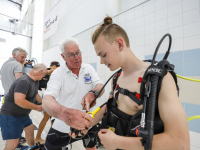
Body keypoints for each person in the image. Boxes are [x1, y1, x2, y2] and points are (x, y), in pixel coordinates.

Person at [72, 16, 190, 150]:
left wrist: (117, 142)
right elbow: (110, 107)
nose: (101, 62)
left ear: (120, 44)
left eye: (103, 55)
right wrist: (87, 123)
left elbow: (180, 142)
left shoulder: (160, 80)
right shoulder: (116, 78)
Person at [42, 37, 104, 150]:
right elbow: (47, 99)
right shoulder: (58, 74)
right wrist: (65, 113)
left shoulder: (88, 69)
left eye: (78, 52)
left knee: (91, 147)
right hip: (64, 125)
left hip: (88, 122)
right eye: (71, 55)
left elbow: (100, 86)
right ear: (63, 56)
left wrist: (93, 93)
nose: (77, 57)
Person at [0, 64, 46, 150]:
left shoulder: (35, 81)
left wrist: (43, 103)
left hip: (23, 115)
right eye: (44, 74)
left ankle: (33, 148)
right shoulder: (24, 81)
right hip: (11, 115)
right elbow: (19, 100)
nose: (44, 76)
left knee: (30, 130)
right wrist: (37, 107)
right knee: (13, 143)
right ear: (40, 72)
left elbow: (35, 93)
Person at [0, 47, 28, 148]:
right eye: (22, 57)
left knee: (12, 120)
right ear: (14, 55)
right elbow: (20, 82)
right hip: (15, 98)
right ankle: (16, 144)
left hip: (7, 95)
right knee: (17, 120)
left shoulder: (4, 64)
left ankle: (18, 139)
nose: (23, 59)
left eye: (25, 57)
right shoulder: (16, 64)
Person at [35, 61, 60, 144]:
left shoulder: (54, 73)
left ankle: (55, 137)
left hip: (54, 98)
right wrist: (52, 69)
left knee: (54, 118)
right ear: (54, 66)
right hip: (48, 97)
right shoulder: (47, 72)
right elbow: (47, 71)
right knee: (46, 118)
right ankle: (38, 137)